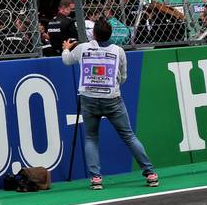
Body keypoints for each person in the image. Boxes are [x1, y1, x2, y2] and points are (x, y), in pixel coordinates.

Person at [62, 20, 158, 190]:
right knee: (128, 136)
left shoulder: (83, 48)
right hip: (112, 98)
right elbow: (123, 76)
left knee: (91, 137)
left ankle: (96, 178)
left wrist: (65, 48)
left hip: (88, 98)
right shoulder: (118, 50)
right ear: (110, 34)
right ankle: (149, 172)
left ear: (95, 34)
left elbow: (67, 61)